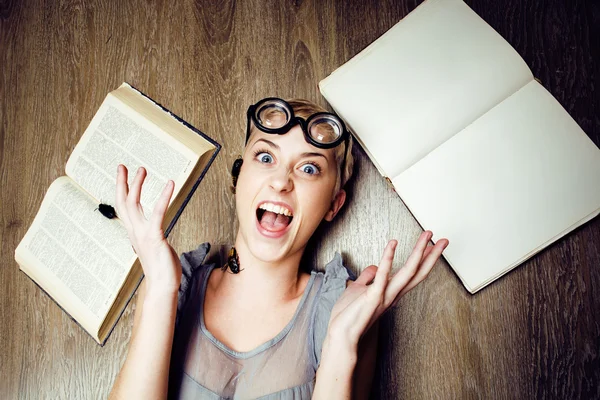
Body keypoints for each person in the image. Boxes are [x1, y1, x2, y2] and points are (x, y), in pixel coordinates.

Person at [108, 97, 449, 399]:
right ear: (240, 178)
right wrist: (160, 289)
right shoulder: (174, 288)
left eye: (309, 167)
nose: (282, 180)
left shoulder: (347, 310)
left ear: (334, 204)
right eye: (266, 156)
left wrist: (340, 344)